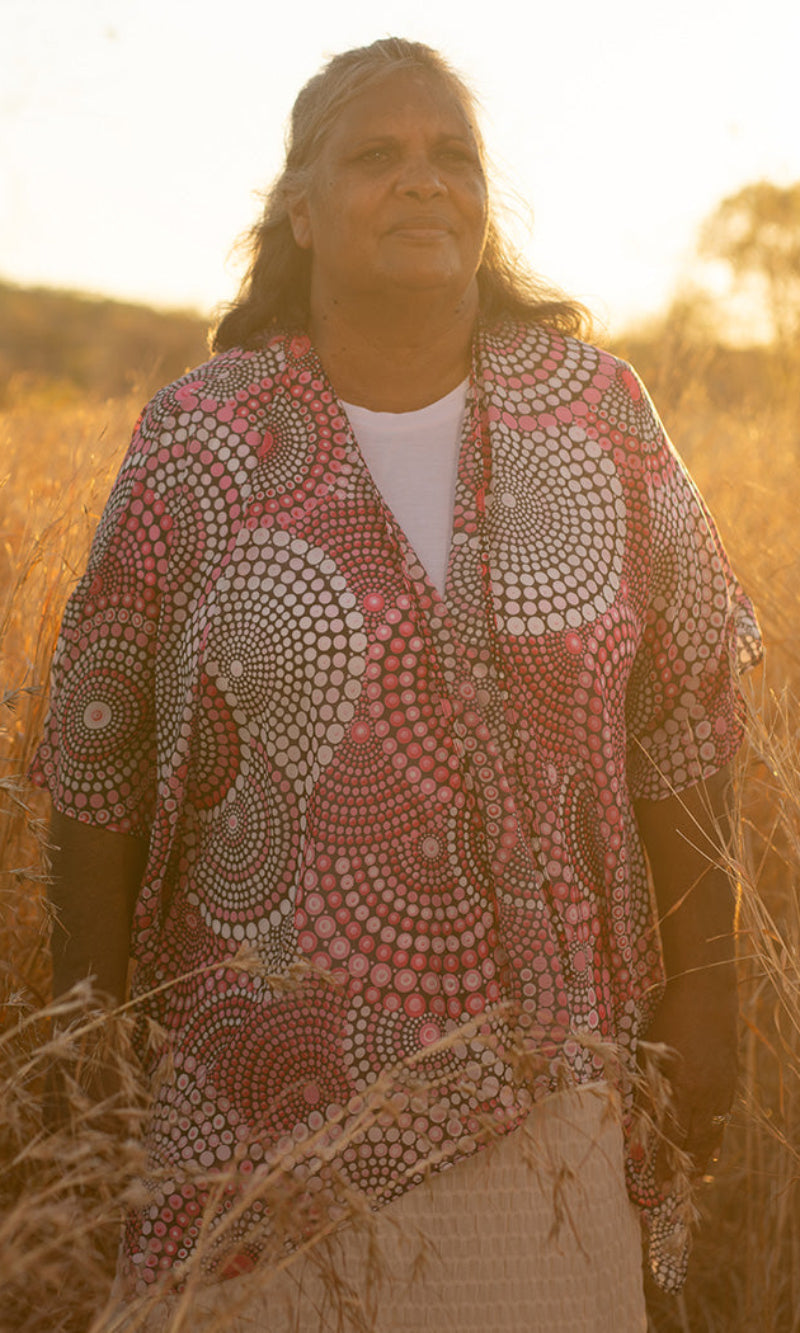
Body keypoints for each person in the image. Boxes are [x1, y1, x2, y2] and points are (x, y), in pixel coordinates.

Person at [32, 36, 761, 1332]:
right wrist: (86, 1047)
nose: (424, 181)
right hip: (257, 1111)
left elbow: (687, 715)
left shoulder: (599, 417)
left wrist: (709, 993)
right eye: (379, 156)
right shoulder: (201, 435)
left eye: (453, 156)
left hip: (552, 1079)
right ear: (301, 210)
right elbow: (95, 745)